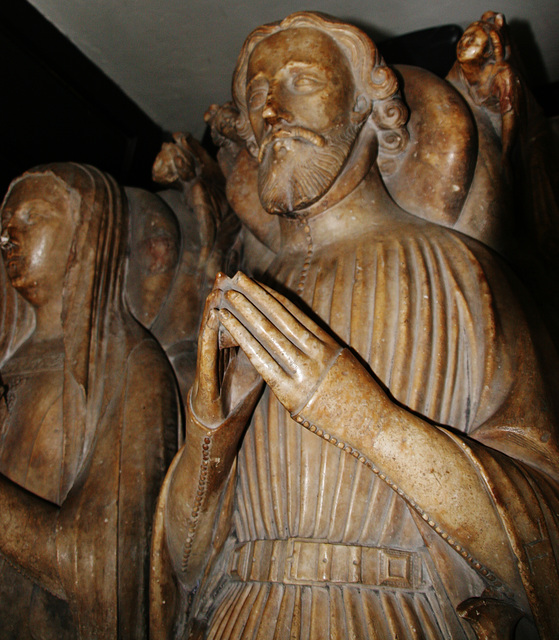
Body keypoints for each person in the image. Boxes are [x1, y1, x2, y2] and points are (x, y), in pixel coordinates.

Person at [154, 13, 559, 639]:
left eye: (301, 81)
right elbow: (185, 567)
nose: (271, 112)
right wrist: (214, 434)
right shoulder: (247, 296)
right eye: (257, 98)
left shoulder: (465, 275)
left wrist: (366, 421)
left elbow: (545, 545)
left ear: (370, 106)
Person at [0, 163, 180, 638]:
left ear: (87, 233)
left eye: (34, 218)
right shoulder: (9, 361)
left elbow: (102, 562)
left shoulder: (131, 368)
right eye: (5, 225)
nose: (8, 239)